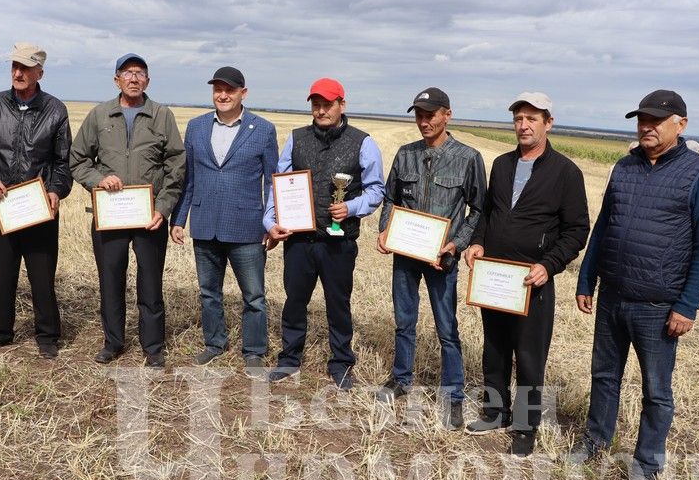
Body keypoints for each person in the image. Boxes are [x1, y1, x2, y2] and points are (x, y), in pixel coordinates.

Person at [567, 90, 699, 480]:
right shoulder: (625, 167)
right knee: (604, 377)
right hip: (613, 297)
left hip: (659, 306)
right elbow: (604, 228)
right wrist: (587, 279)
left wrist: (688, 305)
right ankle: (595, 443)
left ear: (681, 125)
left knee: (656, 390)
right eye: (642, 120)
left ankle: (647, 464)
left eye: (656, 120)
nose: (647, 126)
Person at [463, 91, 589, 458]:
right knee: (495, 349)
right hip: (495, 278)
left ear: (549, 123)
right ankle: (494, 412)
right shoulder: (501, 164)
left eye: (532, 119)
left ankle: (525, 426)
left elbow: (577, 230)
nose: (523, 125)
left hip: (532, 283)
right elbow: (487, 213)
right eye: (519, 118)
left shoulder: (566, 172)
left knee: (530, 357)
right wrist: (478, 242)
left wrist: (548, 265)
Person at [375, 88, 487, 431]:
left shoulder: (468, 157)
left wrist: (456, 244)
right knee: (403, 321)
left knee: (446, 327)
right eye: (419, 115)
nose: (424, 121)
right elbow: (391, 198)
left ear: (447, 115)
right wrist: (384, 230)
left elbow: (479, 210)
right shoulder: (406, 154)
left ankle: (452, 393)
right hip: (406, 255)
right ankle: (401, 379)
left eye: (430, 114)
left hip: (443, 259)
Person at [264, 78, 385, 390]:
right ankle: (289, 359)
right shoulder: (296, 138)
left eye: (327, 104)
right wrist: (270, 221)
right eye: (316, 104)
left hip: (339, 242)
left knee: (338, 304)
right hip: (299, 240)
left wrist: (352, 207)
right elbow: (280, 183)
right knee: (294, 301)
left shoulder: (363, 142)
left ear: (342, 105)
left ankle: (342, 364)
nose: (321, 110)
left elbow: (376, 190)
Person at [70, 53, 185, 365]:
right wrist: (98, 179)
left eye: (140, 73)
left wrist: (163, 208)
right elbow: (78, 159)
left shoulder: (162, 115)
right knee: (110, 279)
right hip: (110, 215)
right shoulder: (99, 115)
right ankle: (113, 343)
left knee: (151, 282)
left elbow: (176, 165)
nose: (134, 78)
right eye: (127, 73)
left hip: (150, 217)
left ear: (147, 80)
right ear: (116, 79)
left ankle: (153, 347)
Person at [170, 66, 279, 368]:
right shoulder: (196, 127)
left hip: (247, 227)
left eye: (230, 89)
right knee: (208, 293)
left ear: (243, 93)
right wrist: (178, 220)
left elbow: (272, 180)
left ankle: (254, 350)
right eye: (218, 88)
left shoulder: (264, 129)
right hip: (205, 225)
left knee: (254, 296)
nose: (223, 94)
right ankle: (214, 343)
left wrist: (270, 223)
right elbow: (188, 178)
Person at [0, 43, 72, 359]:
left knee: (42, 273)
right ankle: (0, 331)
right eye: (15, 66)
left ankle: (47, 335)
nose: (18, 72)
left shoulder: (55, 110)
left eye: (26, 68)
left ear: (39, 72)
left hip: (39, 205)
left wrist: (56, 189)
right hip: (0, 204)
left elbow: (62, 160)